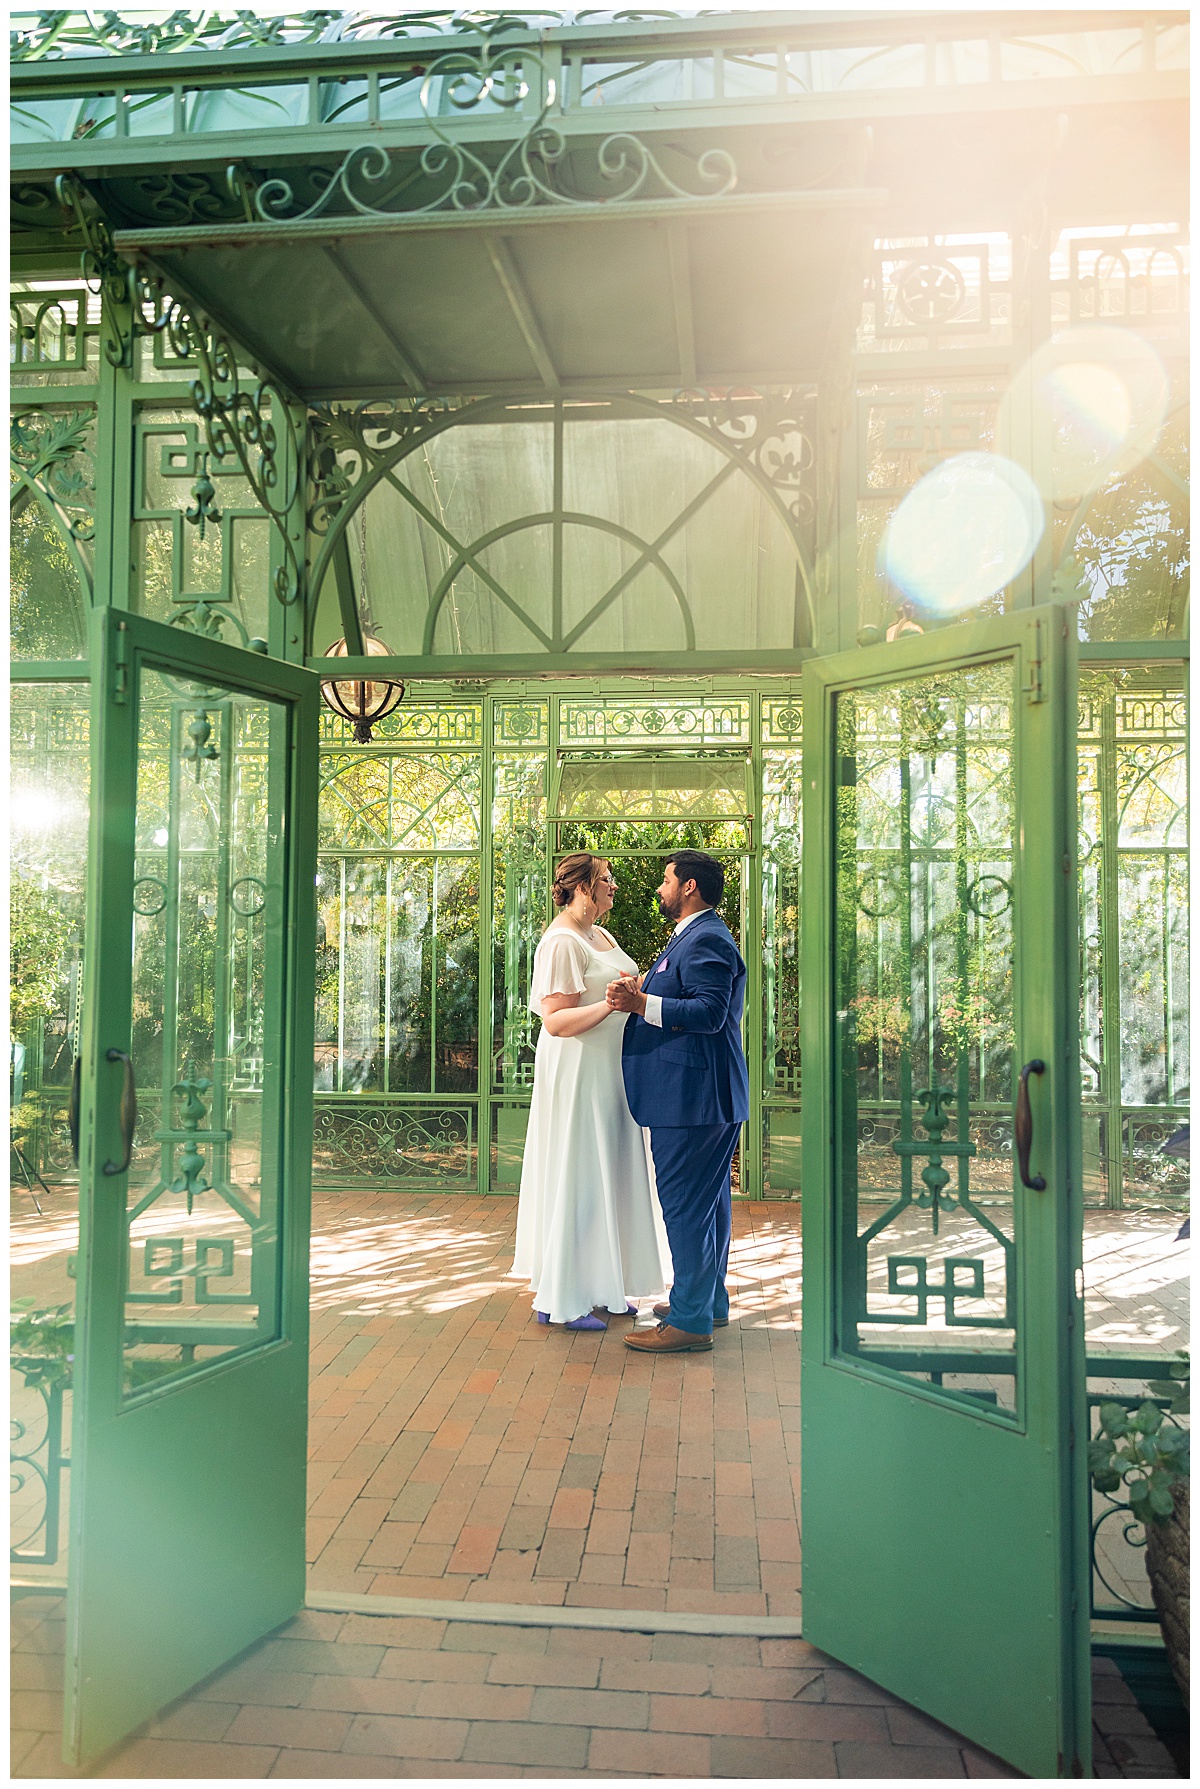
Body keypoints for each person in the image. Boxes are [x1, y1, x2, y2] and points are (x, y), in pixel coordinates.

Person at [512, 852, 669, 1331]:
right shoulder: (560, 942)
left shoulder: (600, 934)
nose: (614, 886)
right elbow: (556, 1021)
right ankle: (559, 1299)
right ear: (582, 887)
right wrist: (611, 1006)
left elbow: (613, 988)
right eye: (606, 879)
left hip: (611, 1071)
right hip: (579, 1072)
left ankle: (600, 1285)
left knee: (610, 1173)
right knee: (579, 1175)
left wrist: (633, 989)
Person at [606, 851, 749, 1354]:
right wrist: (646, 988)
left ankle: (690, 1321)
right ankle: (706, 1301)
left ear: (689, 886)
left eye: (666, 880)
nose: (660, 889)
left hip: (693, 1100)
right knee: (708, 1206)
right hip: (702, 1095)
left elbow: (710, 1012)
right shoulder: (695, 934)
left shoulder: (707, 936)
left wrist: (641, 1003)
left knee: (687, 1207)